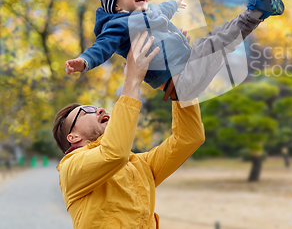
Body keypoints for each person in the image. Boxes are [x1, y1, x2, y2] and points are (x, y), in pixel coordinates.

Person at [53, 31, 205, 228]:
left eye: (95, 107)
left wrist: (178, 82)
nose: (98, 109)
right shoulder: (71, 168)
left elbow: (189, 137)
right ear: (72, 137)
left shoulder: (139, 165)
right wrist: (132, 79)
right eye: (85, 112)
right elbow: (115, 153)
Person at [64, 0, 285, 102]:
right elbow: (101, 47)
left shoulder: (151, 11)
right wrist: (84, 61)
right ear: (116, 5)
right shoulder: (120, 24)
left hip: (189, 60)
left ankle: (257, 10)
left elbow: (164, 8)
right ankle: (256, 12)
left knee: (214, 37)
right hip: (180, 83)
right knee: (220, 44)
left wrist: (176, 4)